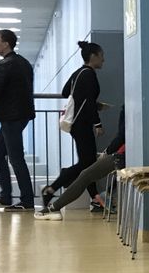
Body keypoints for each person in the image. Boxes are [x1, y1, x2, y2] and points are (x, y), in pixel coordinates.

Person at [41, 40, 108, 213]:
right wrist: (98, 123)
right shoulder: (89, 75)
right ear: (93, 56)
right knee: (87, 163)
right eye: (101, 56)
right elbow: (88, 102)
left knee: (88, 163)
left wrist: (87, 100)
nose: (103, 59)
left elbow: (66, 92)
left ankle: (95, 199)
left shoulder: (78, 73)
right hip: (83, 123)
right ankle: (54, 186)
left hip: (76, 124)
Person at [35, 105, 125, 221]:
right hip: (123, 155)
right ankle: (95, 197)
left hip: (122, 157)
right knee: (86, 168)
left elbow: (122, 136)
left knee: (85, 172)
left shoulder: (127, 108)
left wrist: (107, 151)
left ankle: (54, 204)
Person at [0, 29, 36, 211]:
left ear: (5, 44)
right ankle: (5, 197)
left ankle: (27, 201)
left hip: (10, 116)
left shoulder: (4, 64)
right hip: (21, 114)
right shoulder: (24, 62)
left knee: (16, 158)